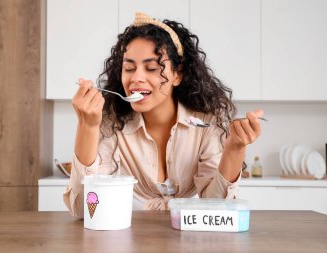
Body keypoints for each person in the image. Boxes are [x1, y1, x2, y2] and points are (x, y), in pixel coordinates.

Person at [64, 13, 264, 219]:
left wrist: (235, 148)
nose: (136, 77)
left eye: (152, 68)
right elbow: (82, 210)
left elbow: (217, 207)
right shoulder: (112, 122)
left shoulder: (206, 122)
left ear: (177, 75)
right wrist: (87, 126)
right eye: (129, 68)